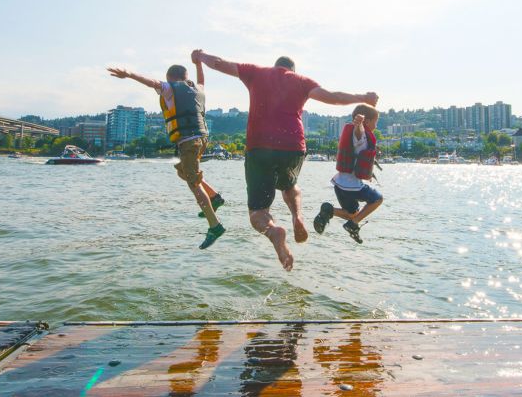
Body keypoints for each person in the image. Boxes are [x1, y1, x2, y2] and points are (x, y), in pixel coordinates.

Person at [192, 49, 378, 271]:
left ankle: (274, 232)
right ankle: (297, 216)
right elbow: (334, 97)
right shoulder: (302, 81)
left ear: (275, 66)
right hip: (292, 147)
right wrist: (363, 98)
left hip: (259, 147)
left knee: (258, 212)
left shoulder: (255, 72)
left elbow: (218, 63)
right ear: (293, 70)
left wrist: (200, 57)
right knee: (290, 185)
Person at [107, 56, 225, 249]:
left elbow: (152, 82)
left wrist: (129, 74)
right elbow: (202, 80)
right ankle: (214, 197)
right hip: (202, 139)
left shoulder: (170, 88)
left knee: (194, 183)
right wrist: (198, 64)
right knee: (183, 172)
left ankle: (215, 226)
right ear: (186, 76)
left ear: (170, 78)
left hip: (189, 142)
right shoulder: (198, 88)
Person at [313, 105, 383, 244]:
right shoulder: (361, 135)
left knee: (352, 214)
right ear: (367, 121)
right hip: (352, 187)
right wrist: (359, 124)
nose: (376, 126)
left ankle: (328, 210)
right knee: (377, 199)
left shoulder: (354, 136)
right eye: (375, 122)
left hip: (339, 184)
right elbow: (359, 133)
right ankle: (353, 225)